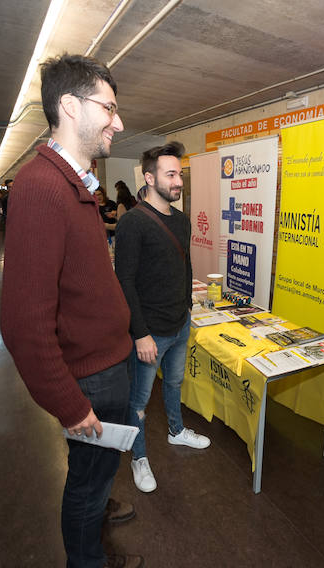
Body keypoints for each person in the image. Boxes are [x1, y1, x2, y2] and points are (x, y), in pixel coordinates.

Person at [0, 54, 144, 568]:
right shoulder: (41, 188)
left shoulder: (73, 185)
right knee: (85, 480)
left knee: (95, 472)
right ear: (69, 106)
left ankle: (99, 499)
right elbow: (22, 324)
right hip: (88, 377)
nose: (118, 121)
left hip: (105, 362)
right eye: (108, 108)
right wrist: (70, 405)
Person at [114, 140, 211, 495]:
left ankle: (176, 431)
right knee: (138, 402)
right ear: (149, 177)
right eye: (170, 174)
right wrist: (139, 333)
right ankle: (139, 457)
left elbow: (184, 266)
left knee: (173, 384)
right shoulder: (133, 223)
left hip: (180, 324)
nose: (178, 181)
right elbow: (123, 281)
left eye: (179, 174)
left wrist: (187, 306)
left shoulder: (182, 221)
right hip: (148, 332)